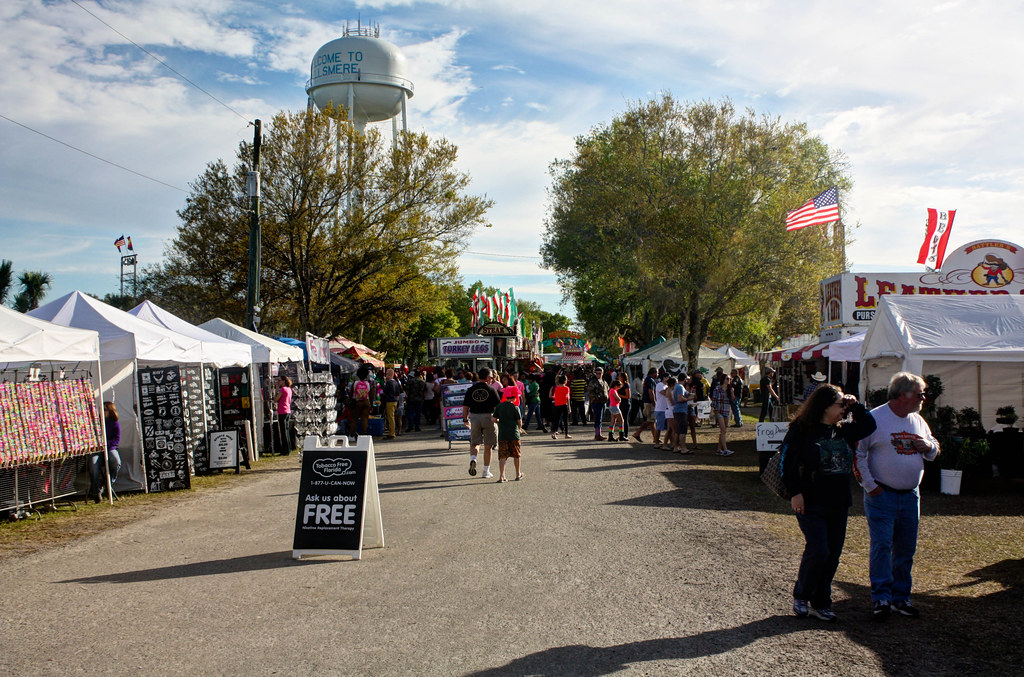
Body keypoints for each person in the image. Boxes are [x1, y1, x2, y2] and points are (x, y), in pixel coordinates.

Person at [782, 385, 876, 622]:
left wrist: (855, 405)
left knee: (832, 554)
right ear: (823, 406)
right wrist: (795, 492)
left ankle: (821, 601)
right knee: (819, 549)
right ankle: (802, 595)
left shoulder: (844, 431)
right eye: (839, 404)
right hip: (811, 500)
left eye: (844, 405)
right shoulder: (802, 430)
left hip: (838, 501)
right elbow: (787, 462)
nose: (843, 409)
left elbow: (870, 425)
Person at [854, 372, 941, 621]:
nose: (923, 398)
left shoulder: (918, 420)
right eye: (920, 393)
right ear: (903, 394)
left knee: (905, 548)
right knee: (882, 546)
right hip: (882, 495)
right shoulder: (875, 419)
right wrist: (870, 486)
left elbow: (933, 447)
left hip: (910, 495)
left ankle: (901, 597)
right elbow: (858, 453)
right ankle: (881, 597)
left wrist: (928, 447)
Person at [462, 367, 501, 479]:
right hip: (488, 417)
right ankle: (485, 471)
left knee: (475, 443)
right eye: (491, 377)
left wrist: (465, 420)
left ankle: (473, 459)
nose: (492, 379)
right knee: (488, 446)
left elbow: (465, 407)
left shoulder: (471, 389)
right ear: (488, 377)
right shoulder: (491, 389)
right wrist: (497, 418)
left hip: (474, 417)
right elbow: (497, 406)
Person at [90, 401, 122, 503]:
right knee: (93, 465)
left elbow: (117, 439)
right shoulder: (96, 422)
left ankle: (109, 483)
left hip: (110, 448)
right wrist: (99, 445)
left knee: (116, 461)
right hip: (97, 449)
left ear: (110, 410)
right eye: (101, 410)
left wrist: (106, 445)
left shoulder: (115, 423)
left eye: (104, 410)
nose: (102, 412)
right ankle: (97, 491)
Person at [492, 393, 524, 482]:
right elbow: (519, 422)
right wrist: (519, 428)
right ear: (514, 398)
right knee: (516, 455)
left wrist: (500, 421)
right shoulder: (515, 407)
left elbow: (493, 419)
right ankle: (518, 474)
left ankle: (502, 476)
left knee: (503, 455)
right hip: (514, 434)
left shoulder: (499, 407)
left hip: (502, 434)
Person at [632, 368, 658, 443]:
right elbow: (651, 392)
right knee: (650, 420)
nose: (658, 375)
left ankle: (655, 438)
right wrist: (654, 402)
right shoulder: (650, 380)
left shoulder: (646, 379)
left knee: (652, 421)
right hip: (649, 402)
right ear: (654, 373)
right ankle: (637, 433)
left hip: (645, 401)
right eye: (657, 373)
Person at [711, 374, 734, 456]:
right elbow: (714, 400)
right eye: (727, 379)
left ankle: (719, 449)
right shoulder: (717, 388)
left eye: (730, 379)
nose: (729, 380)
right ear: (723, 379)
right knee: (723, 430)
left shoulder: (729, 389)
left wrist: (732, 392)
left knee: (723, 431)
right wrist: (712, 411)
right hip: (719, 410)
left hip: (727, 410)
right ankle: (725, 449)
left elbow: (733, 400)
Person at [349, 365, 374, 436]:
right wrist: (371, 405)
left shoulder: (355, 383)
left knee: (354, 419)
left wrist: (351, 400)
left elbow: (351, 393)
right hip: (366, 402)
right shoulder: (368, 384)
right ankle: (364, 433)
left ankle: (352, 434)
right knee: (365, 419)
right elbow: (371, 395)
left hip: (357, 402)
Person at [588, 367, 610, 440]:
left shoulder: (604, 381)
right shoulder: (593, 381)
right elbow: (590, 392)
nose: (598, 375)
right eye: (596, 373)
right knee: (598, 418)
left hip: (603, 402)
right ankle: (597, 434)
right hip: (596, 402)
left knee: (601, 418)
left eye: (600, 373)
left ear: (602, 373)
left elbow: (607, 389)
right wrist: (596, 398)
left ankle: (599, 433)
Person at [672, 376, 692, 454]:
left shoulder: (678, 386)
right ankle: (683, 448)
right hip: (681, 411)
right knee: (683, 430)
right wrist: (688, 399)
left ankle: (676, 447)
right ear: (684, 379)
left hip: (677, 410)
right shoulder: (680, 387)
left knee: (678, 430)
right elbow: (680, 398)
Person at [381, 368, 402, 439]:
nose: (386, 375)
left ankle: (391, 433)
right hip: (395, 401)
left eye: (386, 374)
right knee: (393, 417)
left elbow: (384, 392)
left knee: (390, 418)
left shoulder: (389, 383)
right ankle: (392, 432)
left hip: (389, 401)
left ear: (390, 375)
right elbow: (398, 393)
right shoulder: (396, 382)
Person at [275, 375, 294, 454]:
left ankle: (285, 450)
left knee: (283, 431)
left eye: (279, 380)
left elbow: (276, 399)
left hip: (282, 411)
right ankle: (288, 448)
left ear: (283, 381)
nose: (278, 382)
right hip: (287, 410)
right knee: (286, 430)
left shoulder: (283, 389)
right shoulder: (289, 389)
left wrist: (276, 390)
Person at [550, 374, 571, 439]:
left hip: (557, 405)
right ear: (565, 381)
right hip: (564, 405)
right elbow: (567, 398)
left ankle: (554, 433)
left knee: (557, 420)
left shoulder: (557, 388)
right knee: (565, 420)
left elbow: (555, 396)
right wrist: (569, 407)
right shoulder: (566, 388)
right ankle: (566, 434)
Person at [607, 376, 624, 442]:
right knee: (621, 421)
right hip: (615, 407)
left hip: (612, 406)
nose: (619, 388)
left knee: (613, 421)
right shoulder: (613, 390)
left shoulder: (611, 390)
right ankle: (621, 435)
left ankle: (610, 435)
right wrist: (619, 400)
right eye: (619, 386)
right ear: (616, 385)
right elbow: (618, 398)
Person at [617, 373, 632, 441]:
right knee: (620, 420)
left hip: (625, 404)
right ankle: (621, 434)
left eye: (620, 376)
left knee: (625, 419)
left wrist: (619, 395)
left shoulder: (626, 385)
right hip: (620, 404)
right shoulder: (620, 385)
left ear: (623, 377)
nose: (618, 377)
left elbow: (628, 396)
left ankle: (625, 434)